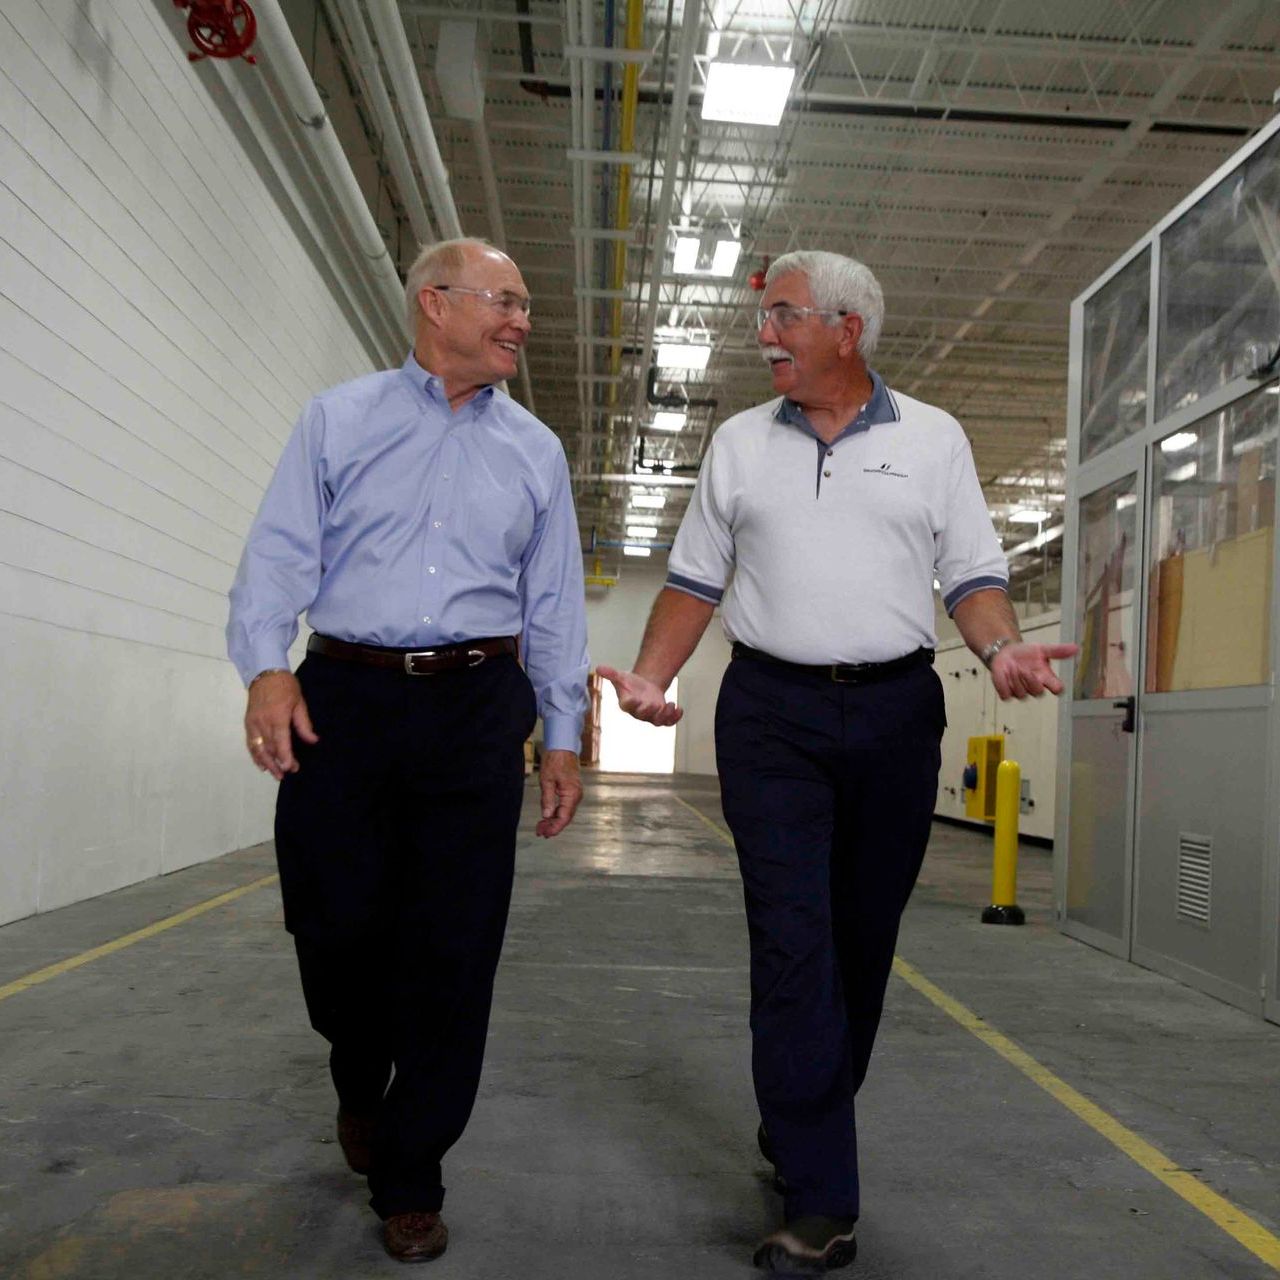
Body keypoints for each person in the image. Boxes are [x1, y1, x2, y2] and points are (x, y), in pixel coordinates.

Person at [600, 250, 1076, 1274]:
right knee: (792, 940)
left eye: (783, 315)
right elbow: (693, 580)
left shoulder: (934, 439)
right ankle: (820, 1198)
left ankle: (800, 1116)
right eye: (765, 317)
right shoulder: (738, 443)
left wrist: (1001, 648)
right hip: (770, 713)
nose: (763, 334)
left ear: (847, 329)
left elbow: (973, 575)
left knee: (860, 942)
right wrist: (647, 675)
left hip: (896, 712)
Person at [226, 238, 588, 1264]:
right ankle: (357, 1071)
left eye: (524, 304)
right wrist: (266, 668)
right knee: (334, 925)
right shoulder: (337, 419)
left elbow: (554, 603)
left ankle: (412, 1168)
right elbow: (277, 555)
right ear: (435, 302)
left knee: (455, 944)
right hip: (343, 697)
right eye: (503, 300)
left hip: (476, 704)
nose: (521, 321)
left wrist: (560, 734)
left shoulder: (534, 451)